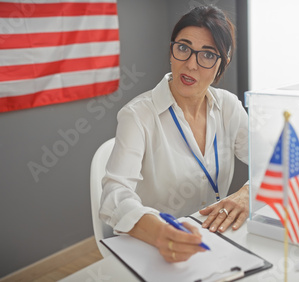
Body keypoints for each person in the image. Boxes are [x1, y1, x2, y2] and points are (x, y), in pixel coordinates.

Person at [99, 5, 249, 263]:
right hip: (157, 250)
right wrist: (159, 232)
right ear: (171, 52)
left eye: (207, 55)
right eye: (183, 48)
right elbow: (115, 195)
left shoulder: (229, 106)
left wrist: (247, 193)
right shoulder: (137, 115)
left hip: (217, 240)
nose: (191, 64)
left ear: (221, 64)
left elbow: (272, 163)